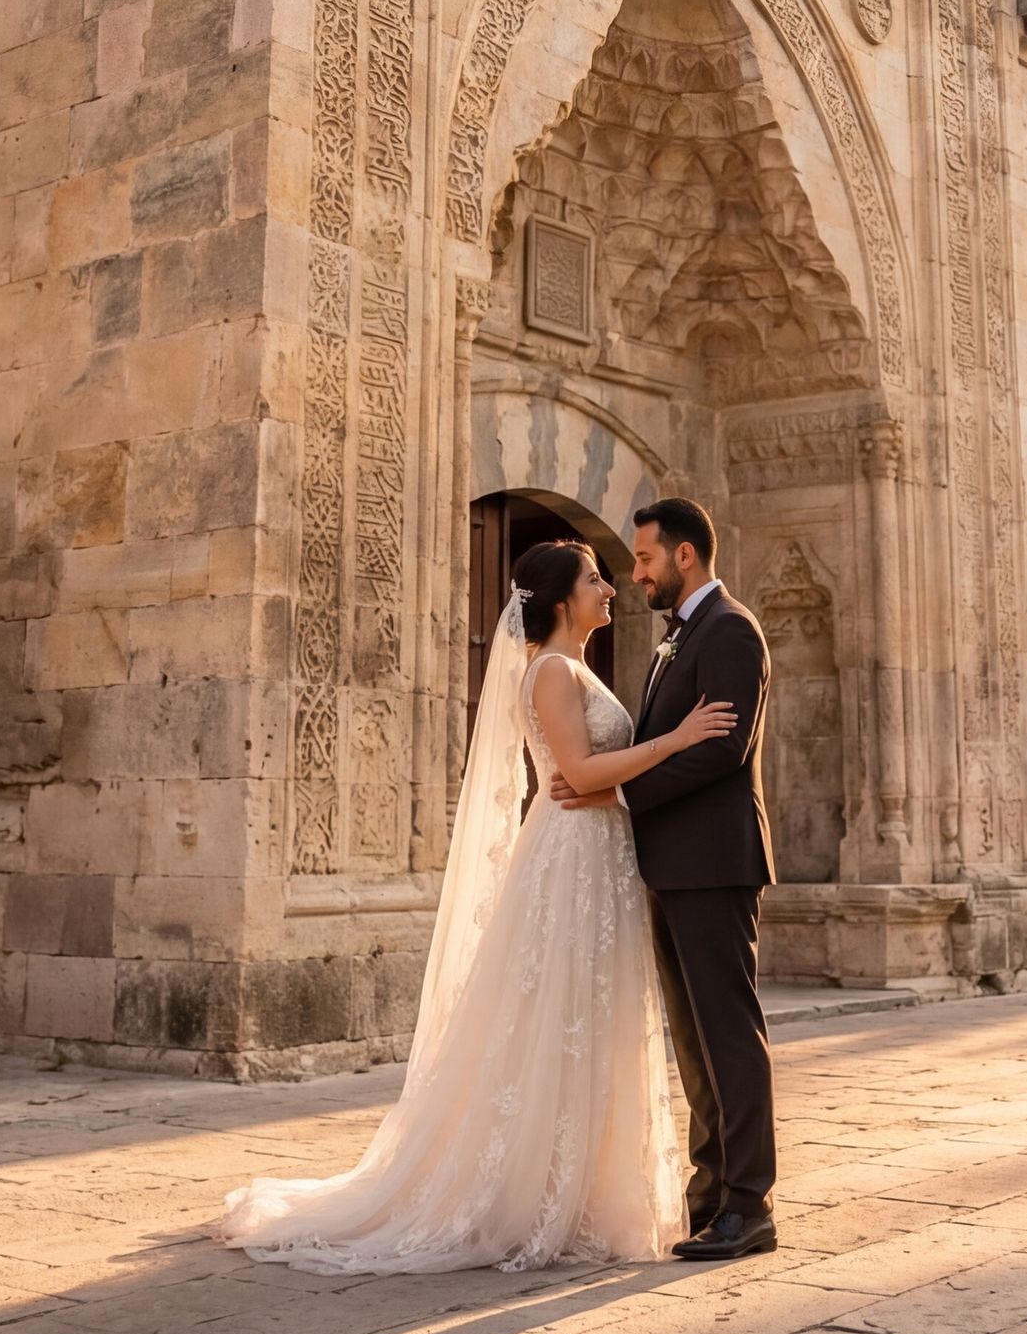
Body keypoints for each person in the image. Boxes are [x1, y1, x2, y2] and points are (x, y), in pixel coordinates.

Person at [216, 537, 735, 1272]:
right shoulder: (552, 670)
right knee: (561, 1015)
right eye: (595, 578)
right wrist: (678, 739)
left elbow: (585, 776)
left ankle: (582, 1185)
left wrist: (617, 774)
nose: (610, 587)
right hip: (572, 858)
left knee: (591, 1019)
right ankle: (530, 1190)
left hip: (598, 855)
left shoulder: (571, 666)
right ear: (561, 598)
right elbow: (579, 768)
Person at [549, 496, 779, 1259]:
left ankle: (751, 1203)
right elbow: (667, 741)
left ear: (685, 556)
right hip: (671, 865)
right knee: (694, 1040)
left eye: (644, 558)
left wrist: (614, 791)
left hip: (715, 863)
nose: (635, 572)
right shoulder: (674, 642)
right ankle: (711, 1194)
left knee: (728, 1033)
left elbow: (722, 750)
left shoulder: (731, 631)